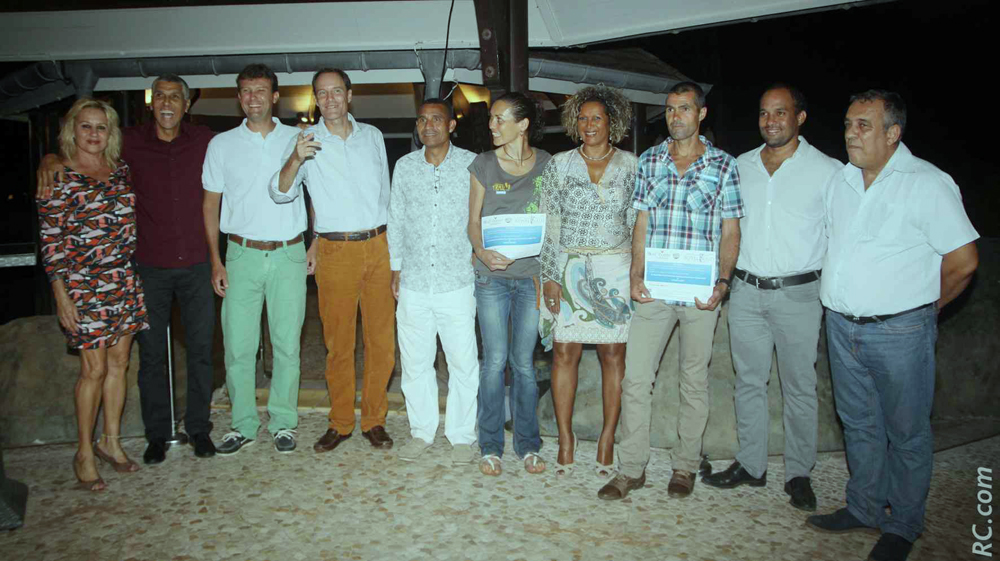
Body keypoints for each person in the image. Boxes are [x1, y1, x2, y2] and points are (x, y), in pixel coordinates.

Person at [806, 90, 978, 561]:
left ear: (892, 133)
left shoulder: (927, 183)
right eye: (847, 124)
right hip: (842, 327)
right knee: (859, 424)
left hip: (901, 332)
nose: (850, 134)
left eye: (863, 125)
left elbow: (964, 261)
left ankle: (903, 524)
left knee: (906, 432)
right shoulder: (840, 182)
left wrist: (926, 307)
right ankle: (863, 508)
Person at [38, 75, 217, 464]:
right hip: (146, 271)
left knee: (202, 351)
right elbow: (71, 166)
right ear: (152, 103)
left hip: (193, 266)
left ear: (187, 105)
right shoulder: (130, 144)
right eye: (161, 96)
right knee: (150, 357)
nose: (168, 103)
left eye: (176, 97)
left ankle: (200, 430)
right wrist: (49, 159)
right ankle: (156, 435)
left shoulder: (204, 140)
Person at [598, 82, 744, 500]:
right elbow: (641, 222)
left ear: (701, 114)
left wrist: (722, 282)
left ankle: (684, 468)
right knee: (635, 380)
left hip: (701, 294)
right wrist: (634, 275)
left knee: (693, 382)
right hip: (654, 293)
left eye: (684, 108)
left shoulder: (723, 166)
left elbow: (731, 231)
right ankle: (630, 470)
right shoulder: (650, 161)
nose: (675, 116)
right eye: (669, 109)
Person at [702, 85, 840, 511]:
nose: (771, 121)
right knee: (749, 382)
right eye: (764, 114)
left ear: (800, 117)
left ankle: (799, 473)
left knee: (799, 387)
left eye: (780, 113)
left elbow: (841, 236)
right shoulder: (740, 166)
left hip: (799, 294)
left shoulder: (829, 171)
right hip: (745, 291)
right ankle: (751, 464)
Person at [270, 68, 395, 453]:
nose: (330, 99)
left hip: (379, 245)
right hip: (335, 252)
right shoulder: (302, 140)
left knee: (381, 342)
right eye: (321, 94)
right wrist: (294, 158)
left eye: (336, 91)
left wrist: (397, 252)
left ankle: (374, 420)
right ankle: (340, 422)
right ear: (316, 100)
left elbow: (387, 197)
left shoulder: (373, 136)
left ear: (349, 94)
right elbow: (280, 193)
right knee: (338, 343)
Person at [37, 98, 150, 491]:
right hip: (82, 286)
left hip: (123, 279)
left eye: (101, 127)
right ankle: (83, 452)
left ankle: (111, 443)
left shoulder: (120, 171)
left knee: (120, 364)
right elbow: (50, 243)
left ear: (110, 133)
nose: (93, 134)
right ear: (72, 130)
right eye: (86, 126)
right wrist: (61, 295)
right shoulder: (58, 176)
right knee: (94, 370)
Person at [201, 64, 305, 455]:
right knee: (238, 346)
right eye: (246, 91)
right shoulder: (221, 145)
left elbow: (316, 196)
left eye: (261, 91)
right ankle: (242, 424)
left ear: (275, 96)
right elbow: (210, 205)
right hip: (240, 253)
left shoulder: (298, 138)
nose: (253, 98)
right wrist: (216, 259)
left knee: (287, 345)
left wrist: (312, 245)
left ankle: (283, 422)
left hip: (288, 252)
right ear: (238, 97)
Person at [537, 85, 637, 477]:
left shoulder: (631, 165)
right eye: (582, 117)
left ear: (612, 123)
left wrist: (637, 271)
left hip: (616, 269)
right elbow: (550, 224)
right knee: (564, 353)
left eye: (597, 117)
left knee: (614, 356)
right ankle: (565, 438)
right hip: (570, 267)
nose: (589, 124)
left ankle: (608, 437)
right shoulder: (559, 165)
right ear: (573, 124)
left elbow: (637, 223)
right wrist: (549, 276)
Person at [387, 99, 479, 465]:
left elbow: (484, 214)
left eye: (436, 119)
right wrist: (396, 267)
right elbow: (395, 218)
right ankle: (421, 432)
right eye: (422, 120)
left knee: (463, 363)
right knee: (415, 363)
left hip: (457, 281)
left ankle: (461, 436)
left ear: (451, 125)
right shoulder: (405, 167)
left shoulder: (474, 164)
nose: (428, 125)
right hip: (413, 282)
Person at [468, 91, 552, 476]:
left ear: (523, 124)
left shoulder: (547, 164)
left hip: (531, 278)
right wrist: (483, 253)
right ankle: (489, 445)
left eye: (500, 119)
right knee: (494, 363)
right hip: (492, 280)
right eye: (491, 118)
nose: (492, 125)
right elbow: (473, 222)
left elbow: (554, 220)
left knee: (523, 364)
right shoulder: (483, 164)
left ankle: (528, 445)